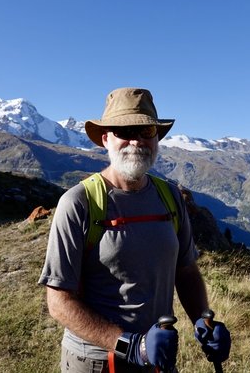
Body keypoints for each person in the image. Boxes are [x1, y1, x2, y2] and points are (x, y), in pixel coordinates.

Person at [39, 87, 231, 372]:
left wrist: (204, 322)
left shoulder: (171, 197)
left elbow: (186, 271)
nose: (136, 141)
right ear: (105, 139)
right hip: (97, 361)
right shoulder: (79, 203)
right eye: (124, 131)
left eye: (146, 132)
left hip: (157, 356)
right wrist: (132, 346)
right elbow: (58, 302)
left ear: (156, 138)